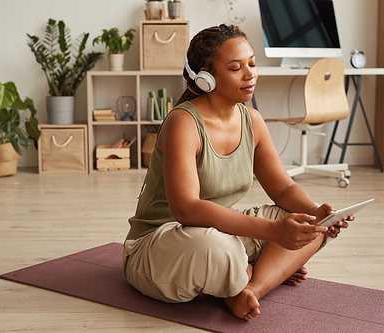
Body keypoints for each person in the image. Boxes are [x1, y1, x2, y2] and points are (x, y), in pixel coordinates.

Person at [123, 24, 351, 321]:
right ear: (205, 77)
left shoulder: (252, 121)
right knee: (219, 249)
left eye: (252, 64)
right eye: (235, 68)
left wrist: (315, 212)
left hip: (220, 233)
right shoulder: (183, 123)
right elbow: (187, 209)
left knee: (307, 226)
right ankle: (264, 271)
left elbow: (282, 189)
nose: (250, 74)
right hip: (161, 245)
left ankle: (250, 289)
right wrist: (273, 233)